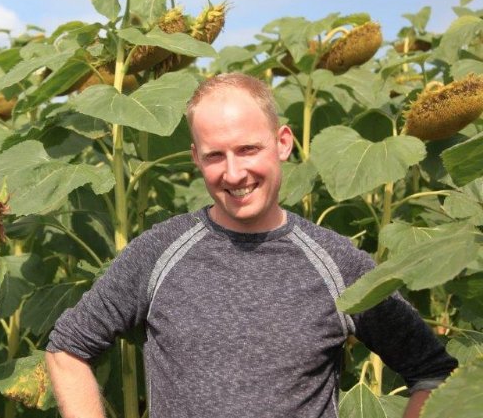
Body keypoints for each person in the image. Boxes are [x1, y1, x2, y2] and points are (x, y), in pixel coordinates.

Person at [45, 73, 457, 418]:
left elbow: (434, 373)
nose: (234, 172)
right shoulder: (159, 253)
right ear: (195, 157)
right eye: (215, 156)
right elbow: (67, 350)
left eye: (248, 149)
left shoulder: (337, 264)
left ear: (283, 142)